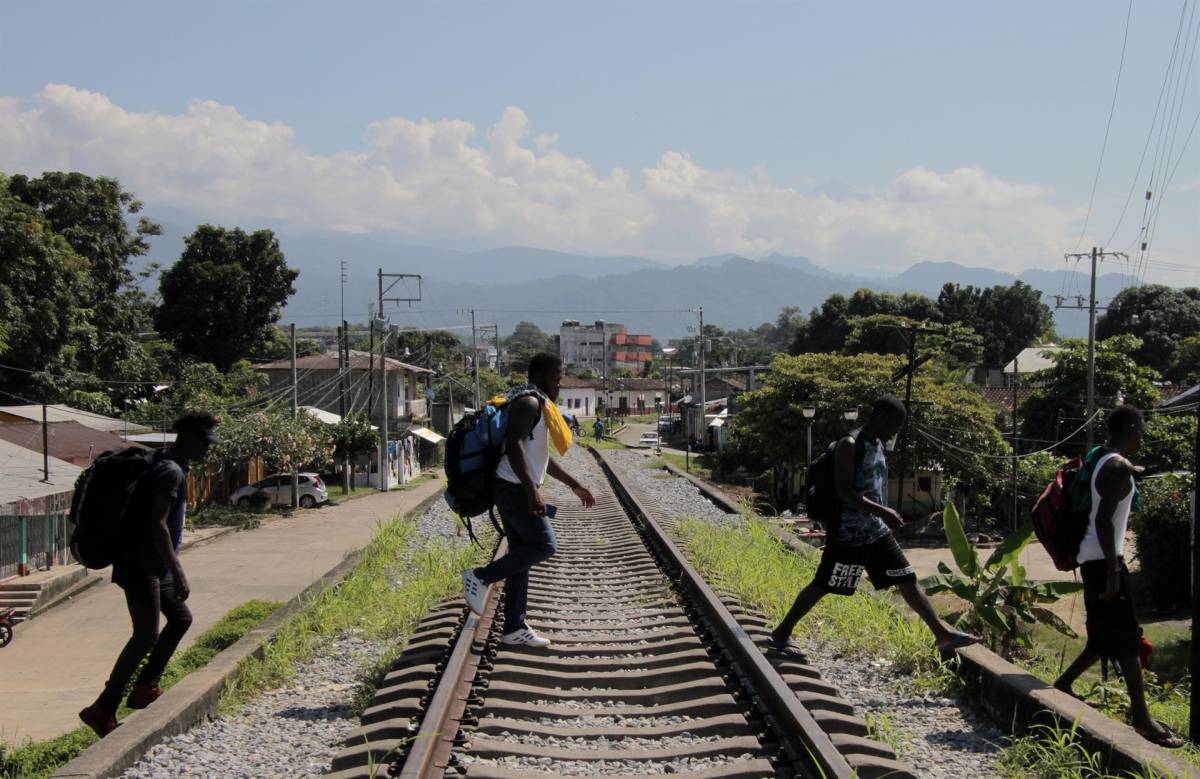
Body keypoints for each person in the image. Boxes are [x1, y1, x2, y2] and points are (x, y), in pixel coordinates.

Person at [768, 396, 977, 657]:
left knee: (906, 578)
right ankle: (782, 632)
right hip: (848, 534)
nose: (895, 432)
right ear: (880, 416)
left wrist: (882, 514)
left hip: (875, 532)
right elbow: (844, 491)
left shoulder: (878, 445)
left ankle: (942, 635)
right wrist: (882, 511)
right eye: (894, 425)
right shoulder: (849, 444)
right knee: (824, 584)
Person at [79, 410, 218, 737]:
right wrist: (178, 571)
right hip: (140, 564)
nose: (208, 449)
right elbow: (157, 525)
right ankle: (103, 707)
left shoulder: (168, 463)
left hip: (150, 563)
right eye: (205, 443)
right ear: (188, 438)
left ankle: (145, 687)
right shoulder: (170, 470)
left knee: (181, 618)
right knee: (146, 635)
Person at [1054, 405, 1183, 748]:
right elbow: (1103, 521)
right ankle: (1142, 719)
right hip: (1105, 560)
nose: (1143, 436)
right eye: (1140, 429)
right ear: (1129, 428)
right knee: (1127, 640)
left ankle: (1064, 684)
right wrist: (1114, 572)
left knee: (1101, 637)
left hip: (1092, 557)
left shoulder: (1100, 457)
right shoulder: (1118, 467)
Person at [461, 353, 596, 647]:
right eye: (556, 379)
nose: (559, 385)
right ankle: (481, 576)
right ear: (539, 376)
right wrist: (531, 489)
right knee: (544, 546)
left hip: (514, 486)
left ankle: (513, 627)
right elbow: (514, 447)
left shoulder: (537, 403)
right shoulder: (529, 403)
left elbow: (540, 458)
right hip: (513, 488)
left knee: (522, 557)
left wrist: (575, 485)